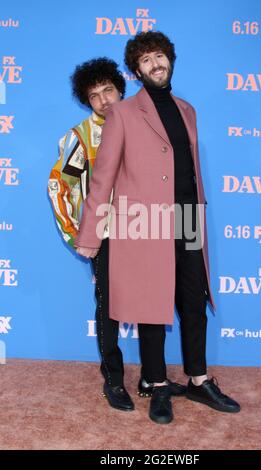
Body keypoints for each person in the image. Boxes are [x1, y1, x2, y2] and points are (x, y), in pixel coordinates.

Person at [74, 33, 240, 424]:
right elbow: (104, 178)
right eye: (146, 60)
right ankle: (156, 384)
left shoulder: (187, 110)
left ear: (171, 60)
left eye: (160, 56)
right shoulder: (123, 113)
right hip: (145, 222)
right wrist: (91, 236)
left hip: (187, 218)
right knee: (152, 304)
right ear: (136, 72)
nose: (155, 64)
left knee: (193, 300)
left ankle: (198, 379)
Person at [48, 57, 186, 413]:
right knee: (109, 307)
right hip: (107, 234)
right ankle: (112, 379)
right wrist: (78, 235)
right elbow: (58, 186)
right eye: (94, 96)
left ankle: (150, 377)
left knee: (151, 301)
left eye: (108, 90)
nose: (104, 100)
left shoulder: (144, 121)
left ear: (121, 88)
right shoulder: (79, 138)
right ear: (86, 101)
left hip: (145, 228)